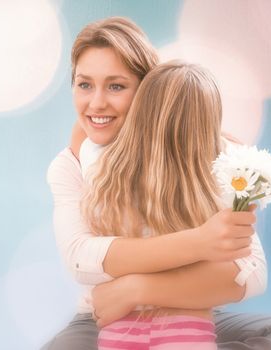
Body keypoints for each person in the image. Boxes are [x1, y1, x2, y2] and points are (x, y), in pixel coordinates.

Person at [42, 16, 271, 350]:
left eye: (116, 86)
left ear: (149, 90)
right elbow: (81, 258)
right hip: (106, 317)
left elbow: (251, 273)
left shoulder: (217, 158)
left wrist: (136, 288)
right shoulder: (76, 163)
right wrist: (201, 242)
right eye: (84, 84)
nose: (96, 104)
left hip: (191, 311)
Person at [82, 60, 233, 349]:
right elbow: (232, 268)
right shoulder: (214, 189)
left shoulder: (108, 177)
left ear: (140, 111)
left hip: (120, 326)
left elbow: (85, 143)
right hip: (187, 327)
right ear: (207, 126)